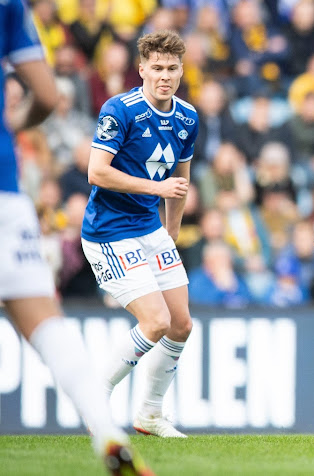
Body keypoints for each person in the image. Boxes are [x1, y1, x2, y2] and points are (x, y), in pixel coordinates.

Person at [0, 0, 152, 474]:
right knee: (45, 319)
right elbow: (44, 93)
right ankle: (106, 433)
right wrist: (14, 127)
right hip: (4, 190)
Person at [83, 29, 199, 438]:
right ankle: (93, 394)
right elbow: (96, 171)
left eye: (172, 68)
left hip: (151, 230)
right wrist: (156, 189)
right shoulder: (120, 110)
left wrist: (171, 231)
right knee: (155, 321)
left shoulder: (187, 117)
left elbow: (180, 182)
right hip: (109, 231)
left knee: (181, 324)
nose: (164, 76)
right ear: (141, 69)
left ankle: (149, 414)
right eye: (156, 68)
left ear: (182, 70)